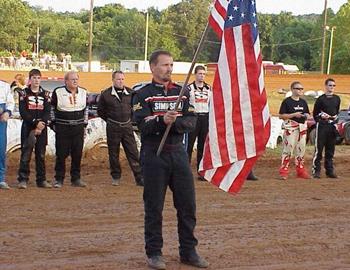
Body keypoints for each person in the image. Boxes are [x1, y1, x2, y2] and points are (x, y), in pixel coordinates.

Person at [132, 50, 208, 270]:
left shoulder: (182, 91)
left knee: (187, 206)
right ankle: (154, 253)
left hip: (179, 154)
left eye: (171, 65)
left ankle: (189, 251)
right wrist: (161, 121)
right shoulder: (142, 94)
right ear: (153, 67)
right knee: (154, 207)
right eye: (165, 65)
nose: (169, 69)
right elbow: (141, 125)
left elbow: (191, 121)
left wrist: (174, 124)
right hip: (154, 155)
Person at [97, 71, 143, 186]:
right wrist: (110, 120)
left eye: (122, 79)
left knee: (133, 152)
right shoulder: (106, 94)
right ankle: (116, 176)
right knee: (113, 153)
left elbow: (136, 108)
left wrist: (130, 119)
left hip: (127, 126)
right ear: (113, 80)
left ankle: (139, 177)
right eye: (118, 79)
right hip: (113, 126)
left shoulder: (131, 93)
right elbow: (101, 111)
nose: (121, 81)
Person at [50, 71, 88, 188]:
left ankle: (76, 178)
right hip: (63, 127)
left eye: (76, 79)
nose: (75, 81)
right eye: (72, 79)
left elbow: (86, 109)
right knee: (61, 154)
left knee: (77, 154)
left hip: (78, 128)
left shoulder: (83, 92)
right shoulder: (58, 92)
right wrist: (53, 124)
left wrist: (85, 124)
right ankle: (59, 179)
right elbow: (51, 109)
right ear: (66, 81)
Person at [17, 69, 51, 189]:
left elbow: (48, 111)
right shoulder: (23, 93)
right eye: (34, 78)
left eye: (38, 78)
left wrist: (42, 124)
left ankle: (41, 180)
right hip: (28, 127)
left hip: (42, 128)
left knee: (41, 154)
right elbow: (23, 111)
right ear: (30, 79)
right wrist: (35, 123)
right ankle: (23, 179)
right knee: (26, 154)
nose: (36, 80)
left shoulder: (46, 94)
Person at [278, 81, 311, 180]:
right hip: (291, 128)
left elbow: (308, 114)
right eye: (298, 88)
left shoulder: (303, 102)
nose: (300, 90)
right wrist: (293, 115)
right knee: (288, 149)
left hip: (301, 127)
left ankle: (300, 170)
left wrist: (306, 116)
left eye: (301, 89)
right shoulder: (287, 101)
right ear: (292, 89)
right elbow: (281, 115)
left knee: (301, 149)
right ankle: (284, 170)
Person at [312, 78, 341, 179]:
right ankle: (316, 171)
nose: (332, 87)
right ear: (325, 86)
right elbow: (315, 113)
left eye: (333, 85)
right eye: (330, 85)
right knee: (319, 149)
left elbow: (337, 111)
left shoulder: (337, 98)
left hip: (332, 126)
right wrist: (321, 117)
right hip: (322, 126)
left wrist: (335, 118)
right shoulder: (320, 99)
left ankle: (329, 171)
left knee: (330, 150)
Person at [186, 65, 211, 181]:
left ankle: (201, 172)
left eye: (204, 74)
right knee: (189, 146)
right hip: (193, 118)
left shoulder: (209, 88)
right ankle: (185, 171)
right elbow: (185, 104)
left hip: (205, 117)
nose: (202, 76)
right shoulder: (189, 88)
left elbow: (212, 104)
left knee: (202, 146)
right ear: (195, 74)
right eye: (200, 73)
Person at [0, 80, 14, 189]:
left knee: (1, 148)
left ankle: (1, 178)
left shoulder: (4, 86)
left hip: (1, 122)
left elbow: (10, 102)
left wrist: (7, 112)